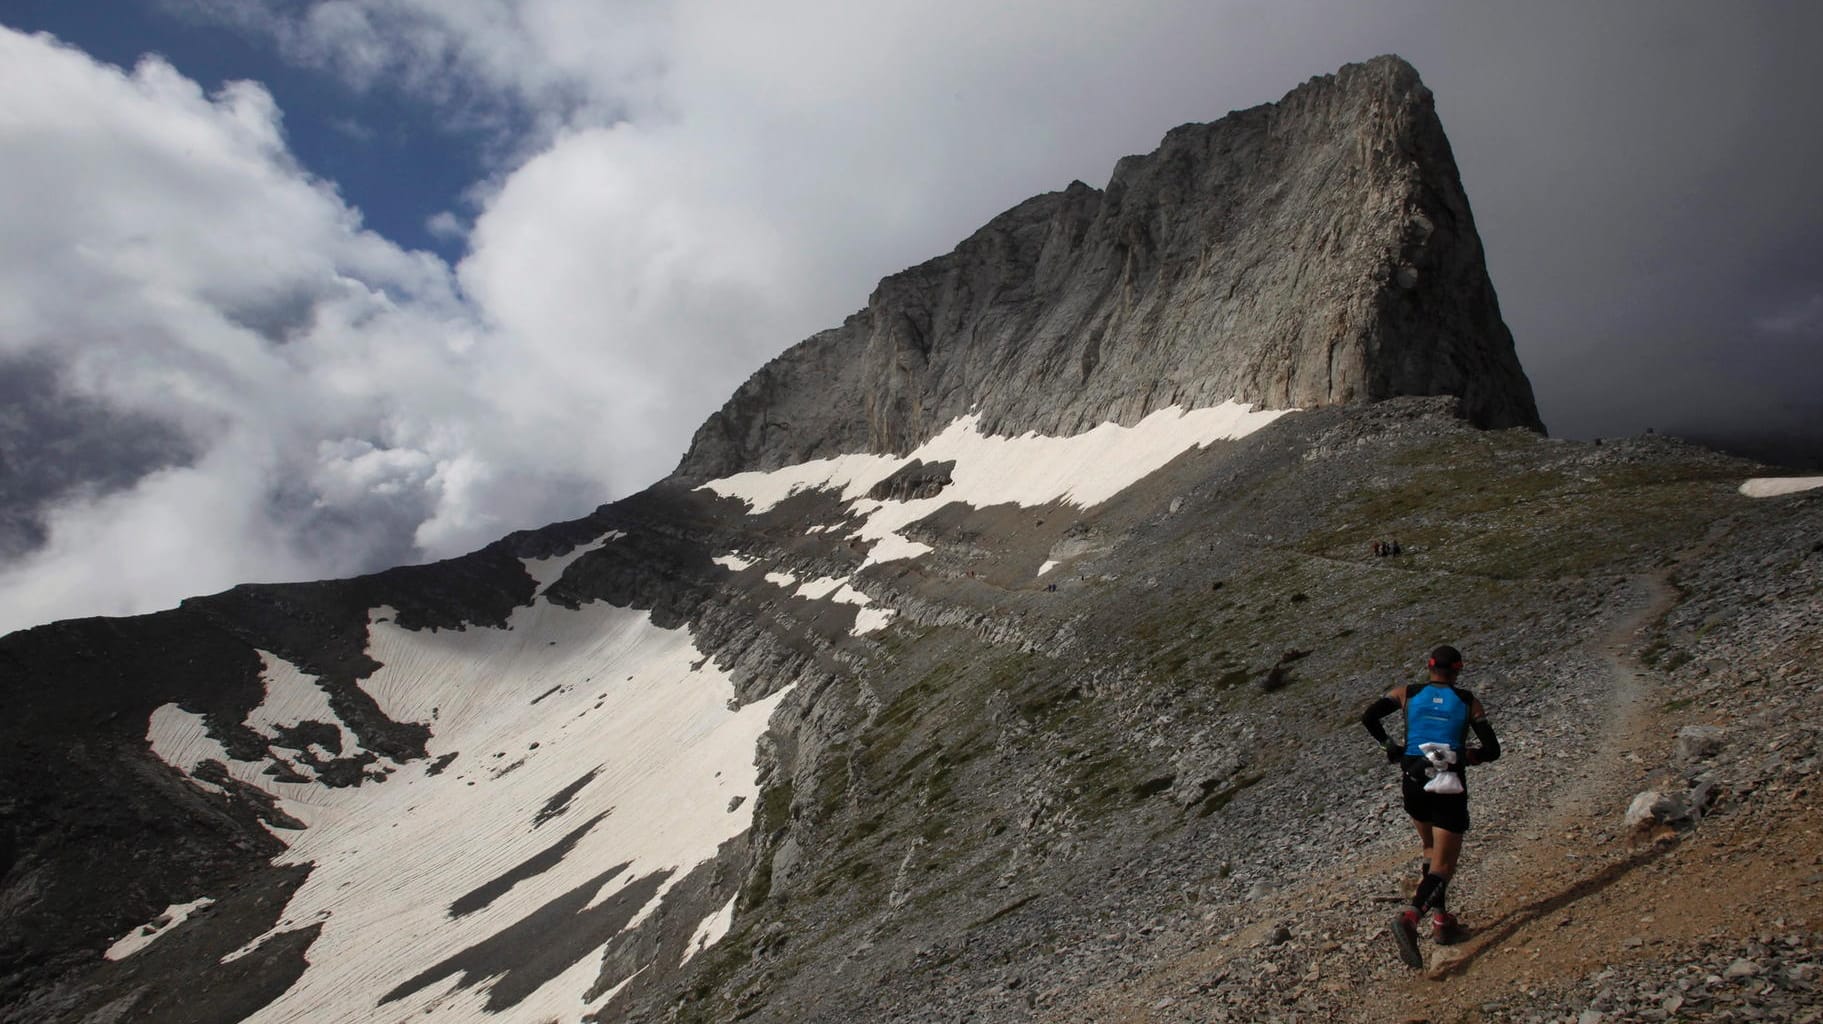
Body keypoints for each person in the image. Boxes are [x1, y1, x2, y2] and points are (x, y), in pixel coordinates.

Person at [1359, 644, 1501, 968]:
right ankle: (1412, 917)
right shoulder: (1468, 702)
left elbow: (1368, 716)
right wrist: (1466, 756)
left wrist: (1390, 747)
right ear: (1458, 669)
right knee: (1444, 866)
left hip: (1413, 780)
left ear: (1429, 666)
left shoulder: (1407, 693)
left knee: (1428, 848)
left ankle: (1441, 921)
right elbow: (1492, 749)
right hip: (1448, 784)